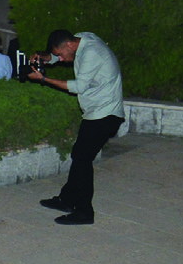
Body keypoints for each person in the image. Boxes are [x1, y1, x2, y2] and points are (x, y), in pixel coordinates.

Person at [28, 28, 125, 226]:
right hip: (97, 112)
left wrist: (44, 80)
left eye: (60, 55)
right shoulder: (82, 39)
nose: (61, 60)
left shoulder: (91, 53)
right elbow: (60, 54)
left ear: (70, 45)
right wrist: (46, 56)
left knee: (81, 158)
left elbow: (78, 87)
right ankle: (67, 199)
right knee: (80, 155)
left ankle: (84, 212)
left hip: (105, 114)